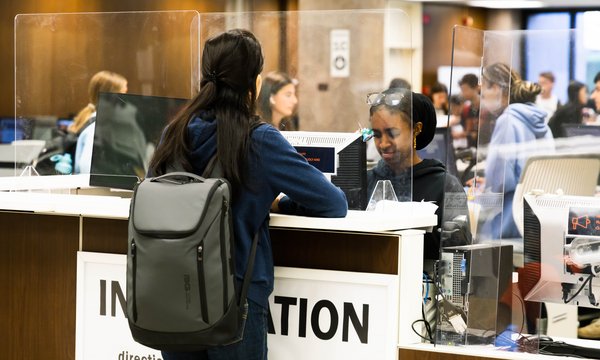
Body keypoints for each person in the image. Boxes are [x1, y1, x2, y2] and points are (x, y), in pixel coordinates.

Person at [149, 29, 348, 360]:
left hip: (174, 290)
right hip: (235, 297)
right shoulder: (259, 139)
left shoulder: (175, 132)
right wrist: (281, 201)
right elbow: (333, 203)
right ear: (254, 83)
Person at [366, 88, 470, 261]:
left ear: (416, 129)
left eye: (392, 133)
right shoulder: (368, 182)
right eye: (377, 135)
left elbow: (458, 256)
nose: (383, 144)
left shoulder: (446, 186)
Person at [480, 63, 554, 240]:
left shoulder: (507, 121)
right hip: (537, 222)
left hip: (508, 224)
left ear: (496, 88)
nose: (482, 98)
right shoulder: (540, 122)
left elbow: (497, 183)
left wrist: (478, 195)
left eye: (483, 91)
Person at [72, 70, 128, 173]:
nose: (127, 99)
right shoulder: (98, 126)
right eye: (124, 93)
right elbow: (87, 168)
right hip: (93, 188)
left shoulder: (91, 119)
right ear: (112, 96)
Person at [458, 73, 480, 147]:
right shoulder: (465, 110)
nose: (463, 93)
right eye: (462, 90)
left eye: (466, 89)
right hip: (470, 150)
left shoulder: (486, 109)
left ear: (476, 88)